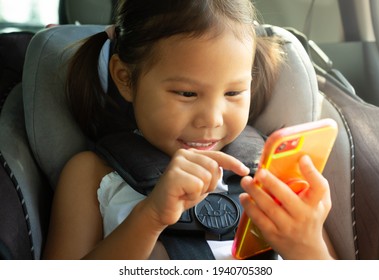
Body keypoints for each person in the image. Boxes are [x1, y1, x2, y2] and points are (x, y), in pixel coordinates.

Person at [43, 0, 337, 260]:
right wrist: (150, 217)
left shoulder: (273, 177)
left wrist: (307, 247)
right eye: (186, 94)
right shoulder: (92, 175)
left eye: (234, 93)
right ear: (125, 79)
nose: (211, 119)